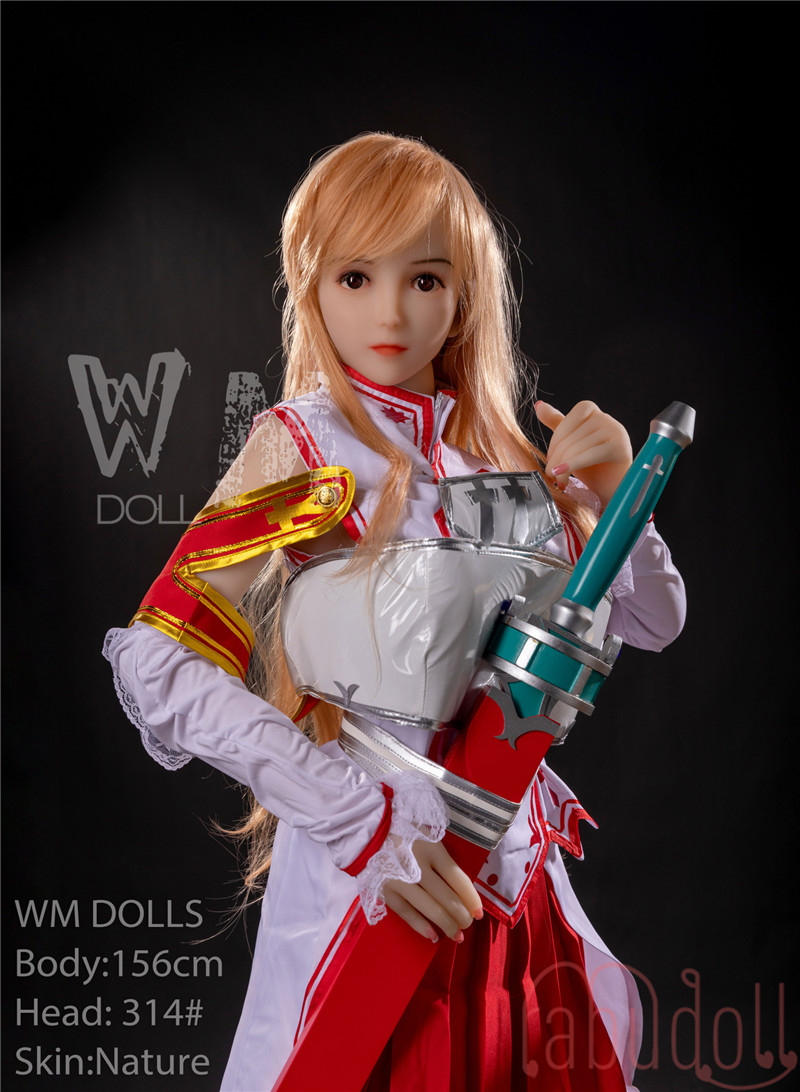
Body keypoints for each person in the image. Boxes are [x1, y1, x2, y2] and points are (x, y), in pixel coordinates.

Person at [104, 133, 686, 1091]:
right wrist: (358, 822)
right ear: (311, 285)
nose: (390, 312)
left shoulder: (503, 453)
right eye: (355, 277)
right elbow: (157, 661)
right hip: (378, 881)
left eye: (424, 280)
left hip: (510, 869)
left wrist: (625, 493)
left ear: (462, 296)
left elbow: (655, 621)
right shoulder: (300, 446)